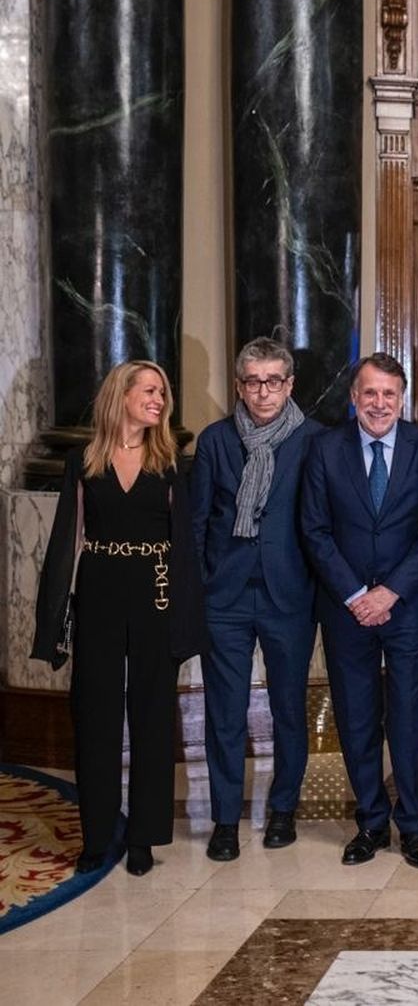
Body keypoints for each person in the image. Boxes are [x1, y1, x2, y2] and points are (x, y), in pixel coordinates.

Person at [34, 360, 207, 876]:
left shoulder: (172, 463)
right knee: (96, 715)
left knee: (153, 716)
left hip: (155, 592)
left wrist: (186, 619)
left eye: (163, 393)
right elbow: (67, 538)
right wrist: (52, 626)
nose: (159, 400)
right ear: (122, 394)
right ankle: (97, 835)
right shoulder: (82, 460)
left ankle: (144, 838)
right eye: (150, 390)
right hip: (100, 591)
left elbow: (184, 548)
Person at [300, 352, 418, 868]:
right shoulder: (325, 449)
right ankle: (370, 822)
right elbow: (314, 531)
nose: (379, 403)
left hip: (406, 608)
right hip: (345, 610)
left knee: (411, 717)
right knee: (357, 715)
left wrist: (389, 593)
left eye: (389, 394)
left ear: (402, 398)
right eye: (370, 393)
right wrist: (354, 595)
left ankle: (412, 824)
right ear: (354, 398)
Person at [190, 338, 324, 861]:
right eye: (252, 381)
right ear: (239, 386)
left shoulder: (316, 441)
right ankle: (225, 818)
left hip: (288, 594)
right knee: (225, 710)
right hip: (225, 595)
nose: (263, 391)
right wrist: (204, 583)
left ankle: (283, 810)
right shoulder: (216, 441)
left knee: (288, 707)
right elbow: (199, 522)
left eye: (273, 381)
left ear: (289, 385)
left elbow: (321, 525)